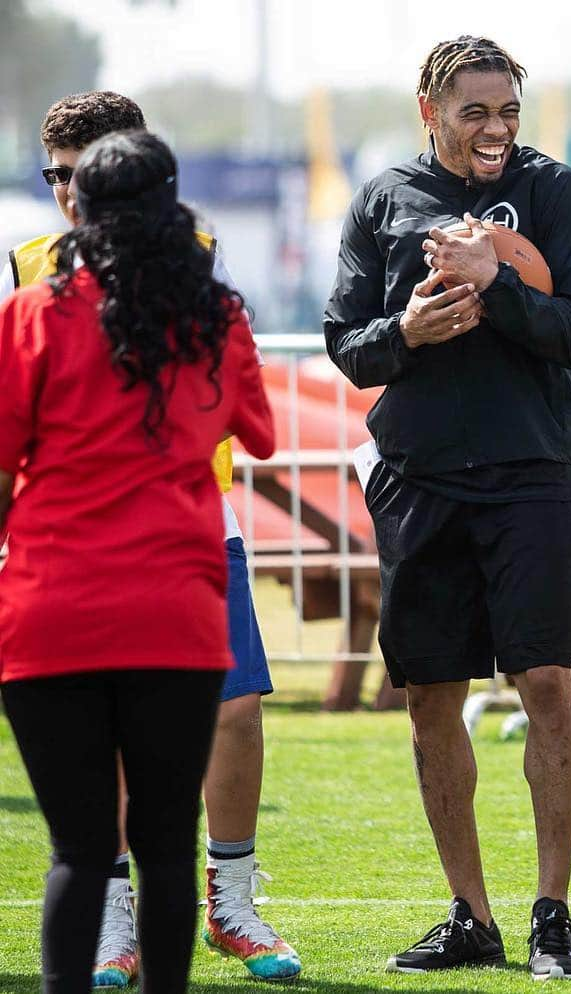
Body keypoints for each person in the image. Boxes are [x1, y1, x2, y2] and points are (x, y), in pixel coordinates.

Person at [1, 91, 301, 985]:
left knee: (232, 722)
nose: (66, 191)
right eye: (54, 174)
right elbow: (259, 429)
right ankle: (116, 927)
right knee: (118, 836)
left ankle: (233, 903)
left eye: (80, 173)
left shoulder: (198, 283)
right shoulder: (37, 280)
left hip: (174, 545)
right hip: (138, 567)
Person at [324, 35, 571, 981]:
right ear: (430, 110)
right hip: (420, 479)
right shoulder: (381, 199)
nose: (496, 130)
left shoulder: (554, 192)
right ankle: (472, 917)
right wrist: (406, 330)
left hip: (534, 475)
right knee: (429, 699)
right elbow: (348, 344)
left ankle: (552, 916)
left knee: (548, 685)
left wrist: (501, 285)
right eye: (476, 111)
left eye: (509, 112)